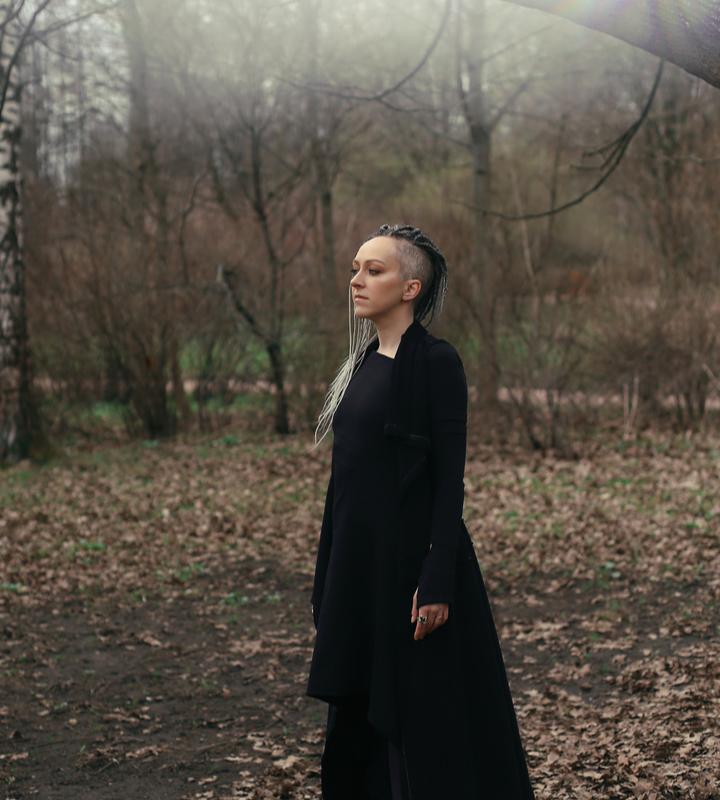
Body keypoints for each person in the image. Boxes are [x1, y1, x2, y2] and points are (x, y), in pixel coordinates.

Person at [307, 224, 535, 800]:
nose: (356, 281)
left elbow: (449, 481)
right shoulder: (361, 364)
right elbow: (344, 482)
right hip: (359, 566)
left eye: (373, 270)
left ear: (410, 287)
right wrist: (329, 574)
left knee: (419, 723)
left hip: (411, 569)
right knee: (359, 715)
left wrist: (437, 579)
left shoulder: (436, 362)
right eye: (355, 269)